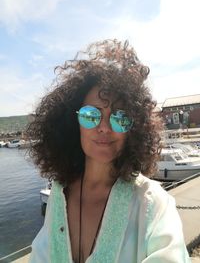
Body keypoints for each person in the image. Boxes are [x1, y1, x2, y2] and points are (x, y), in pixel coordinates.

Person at [27, 39, 191, 263]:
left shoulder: (152, 203)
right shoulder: (59, 194)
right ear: (71, 121)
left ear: (134, 128)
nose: (103, 127)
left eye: (120, 117)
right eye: (90, 115)